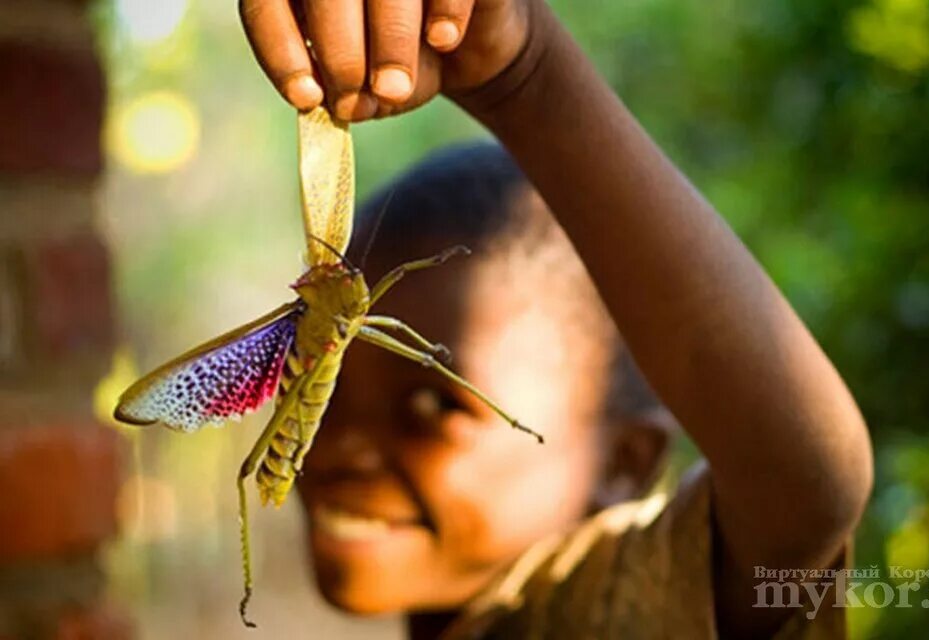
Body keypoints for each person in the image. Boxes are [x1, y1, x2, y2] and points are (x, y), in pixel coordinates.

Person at [238, 1, 874, 637]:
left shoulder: (593, 607)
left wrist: (525, 74)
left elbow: (806, 490)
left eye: (433, 407)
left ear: (625, 463)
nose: (343, 446)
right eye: (330, 388)